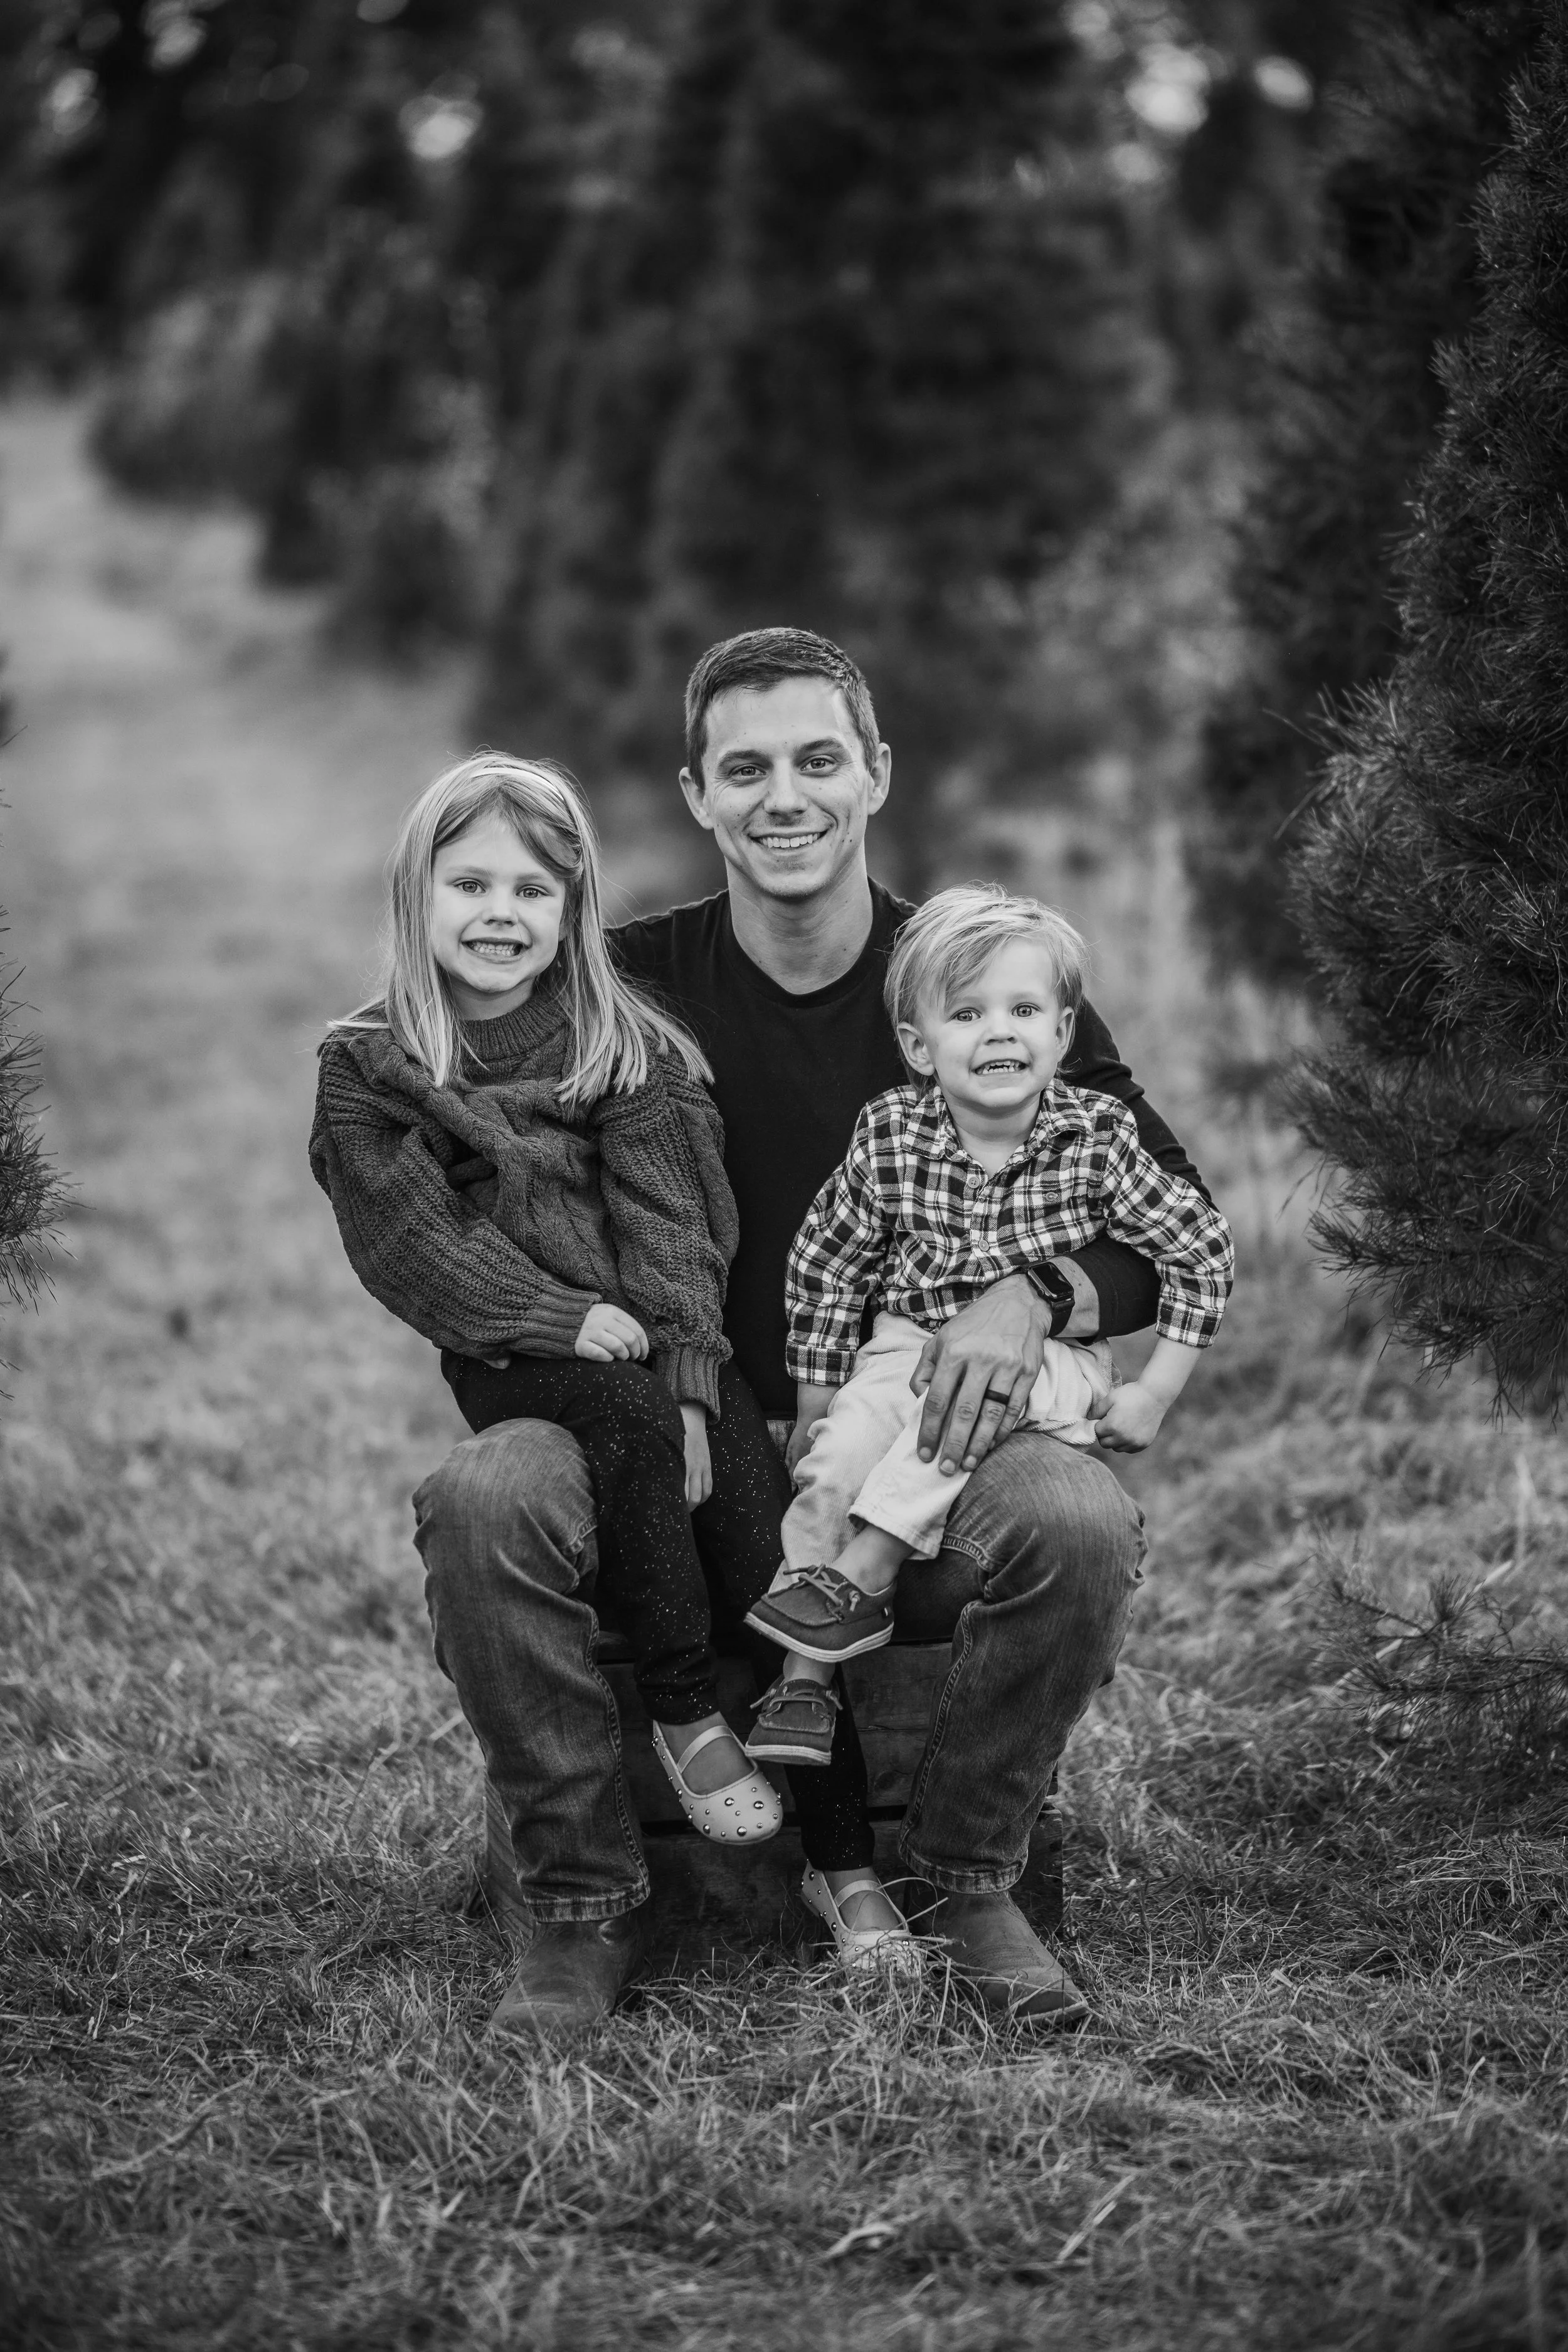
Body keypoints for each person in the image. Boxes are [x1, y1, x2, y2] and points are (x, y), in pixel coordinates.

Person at [411, 627, 1208, 2035]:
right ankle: (581, 1907)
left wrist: (1035, 1295)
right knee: (484, 1502)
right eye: (746, 768)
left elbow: (1165, 1219)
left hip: (920, 1437)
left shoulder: (974, 977)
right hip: (660, 1435)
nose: (786, 797)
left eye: (818, 760)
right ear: (697, 795)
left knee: (1074, 1522)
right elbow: (470, 1177)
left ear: (875, 775)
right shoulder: (614, 986)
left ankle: (960, 1879)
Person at [309, 753, 797, 1860]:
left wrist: (684, 1368)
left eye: (534, 890)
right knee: (622, 1423)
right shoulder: (373, 1066)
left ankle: (823, 1779)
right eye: (471, 884)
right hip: (516, 1349)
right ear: (416, 893)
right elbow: (410, 1242)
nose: (501, 913)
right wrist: (559, 1316)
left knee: (748, 1493)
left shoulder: (612, 1042)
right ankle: (682, 1713)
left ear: (572, 910)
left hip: (655, 1339)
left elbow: (670, 1217)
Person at [743, 883, 1234, 1727]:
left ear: (1061, 1029)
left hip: (1053, 1361)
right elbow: (827, 1263)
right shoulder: (891, 1132)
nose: (998, 1029)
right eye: (966, 1013)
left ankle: (869, 1564)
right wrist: (819, 1401)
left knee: (962, 1417)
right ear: (920, 1045)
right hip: (909, 1338)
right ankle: (804, 1678)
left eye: (1022, 1008)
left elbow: (1201, 1247)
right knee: (835, 1459)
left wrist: (1154, 1390)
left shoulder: (1100, 1137)